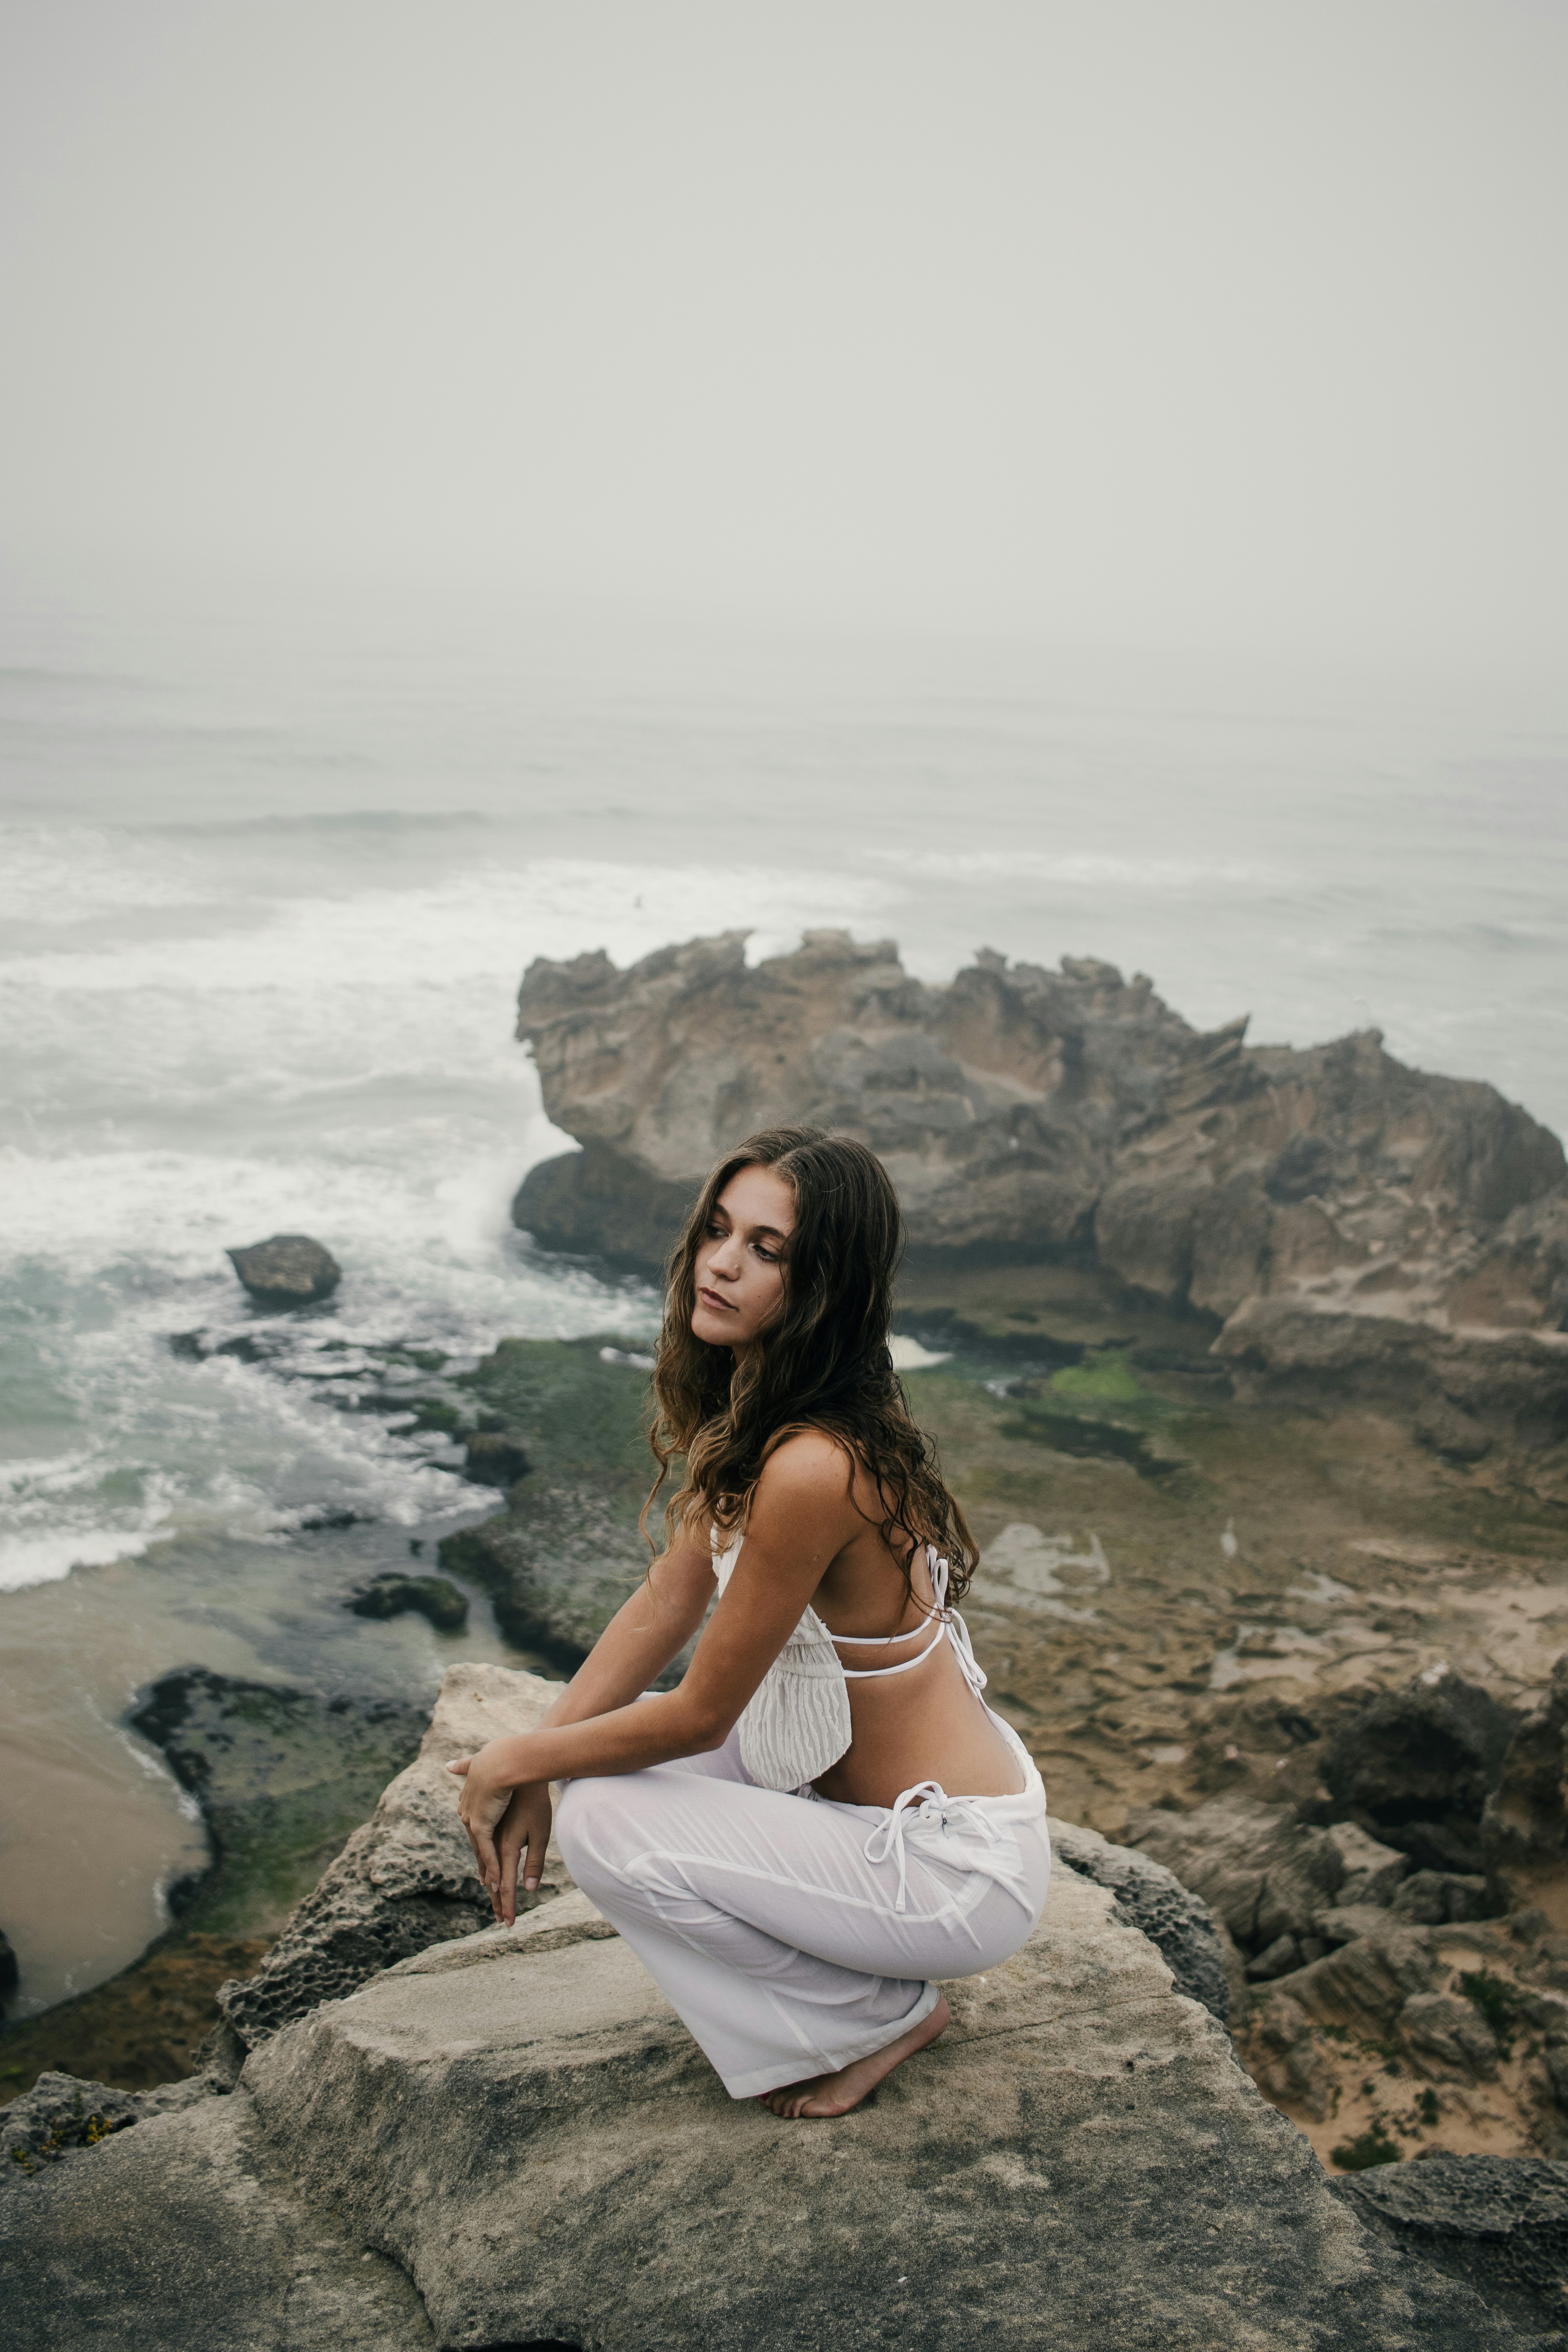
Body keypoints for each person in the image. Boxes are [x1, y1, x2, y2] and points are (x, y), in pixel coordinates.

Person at [448, 1125, 1050, 2120]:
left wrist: (516, 1760)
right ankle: (862, 2005)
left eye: (767, 1250)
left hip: (945, 1869)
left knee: (606, 1816)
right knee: (596, 1772)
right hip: (853, 1797)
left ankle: (871, 2016)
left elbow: (698, 1717)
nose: (720, 1264)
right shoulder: (762, 1408)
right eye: (718, 1231)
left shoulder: (813, 1465)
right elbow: (667, 1598)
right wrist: (547, 1751)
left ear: (825, 1283)